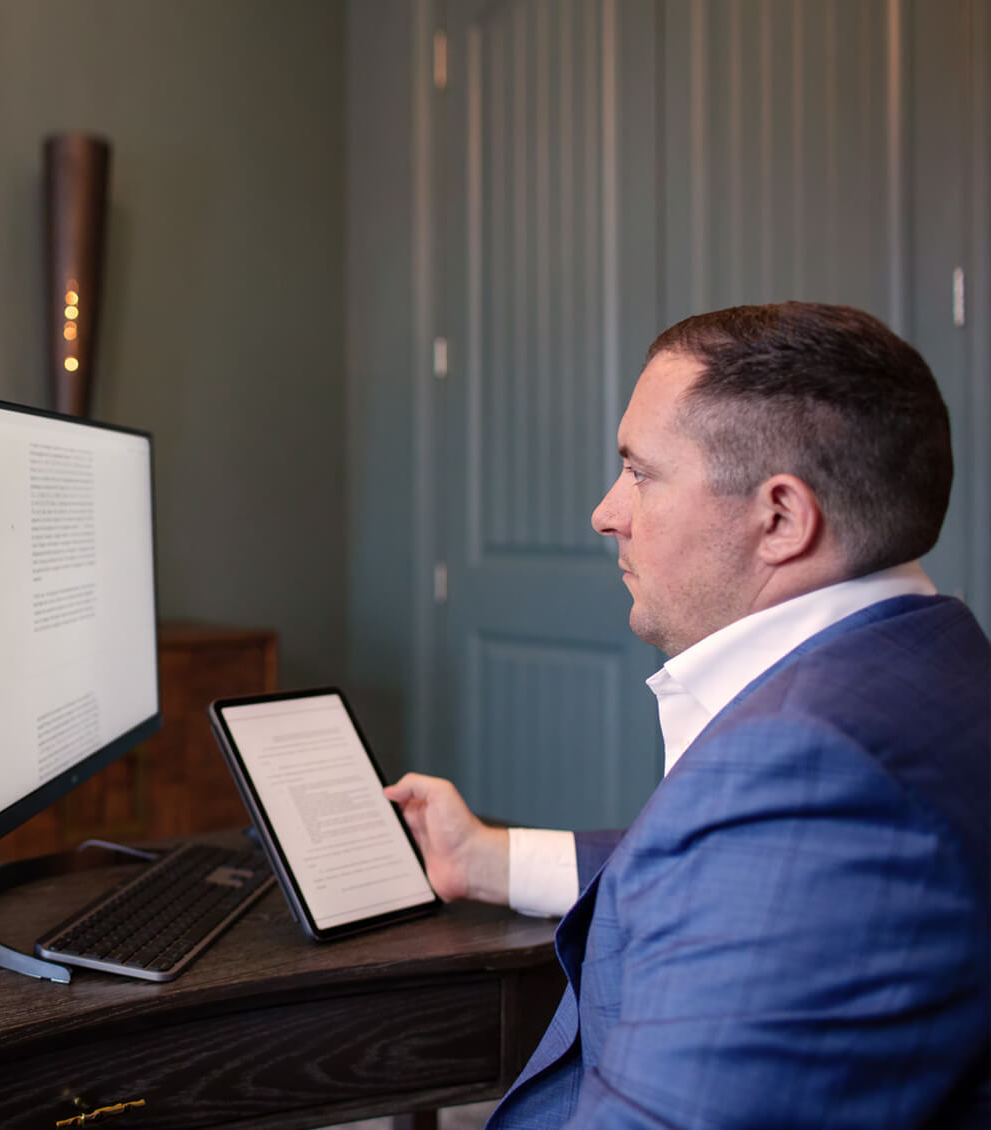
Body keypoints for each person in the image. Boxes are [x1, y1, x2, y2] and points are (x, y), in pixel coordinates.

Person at [386, 302, 989, 1129]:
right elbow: (729, 873)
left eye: (639, 472)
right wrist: (491, 860)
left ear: (779, 518)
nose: (607, 513)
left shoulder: (808, 776)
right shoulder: (932, 657)